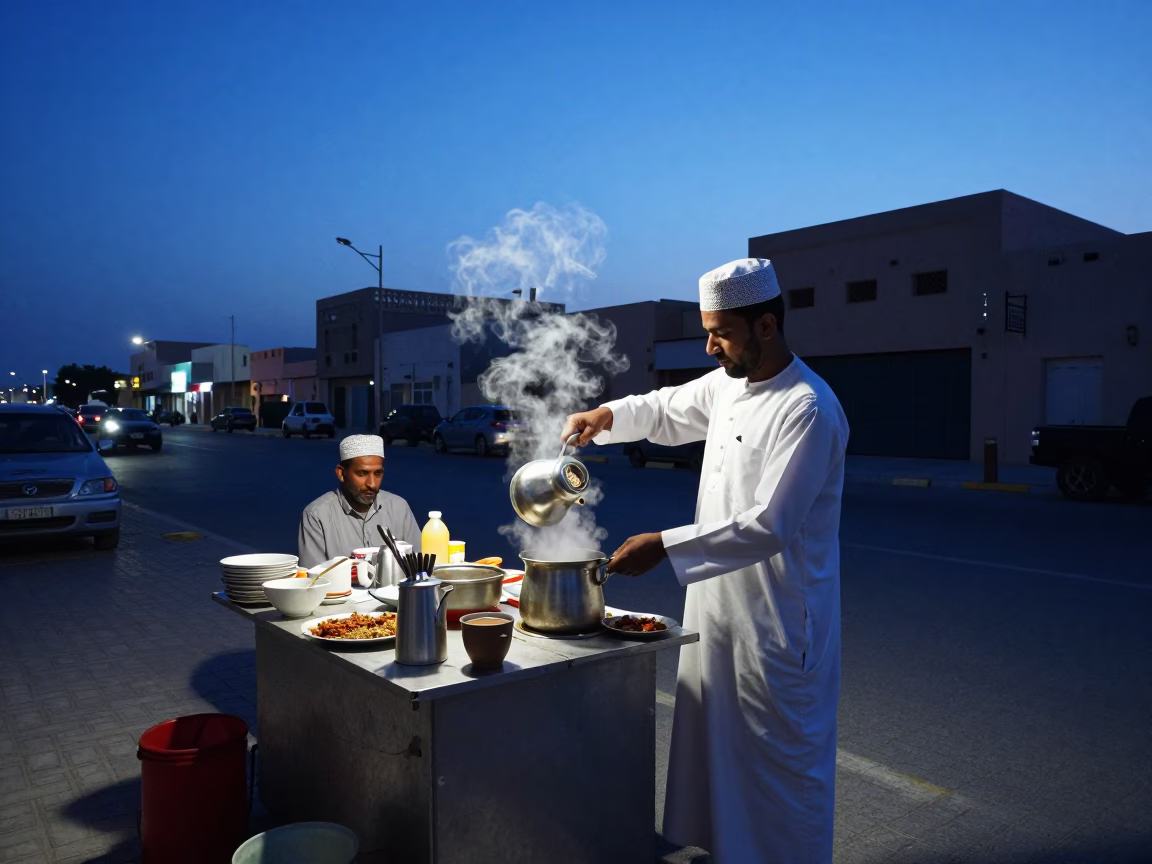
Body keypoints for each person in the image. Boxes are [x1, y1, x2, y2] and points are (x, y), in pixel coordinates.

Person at [562, 258, 849, 864]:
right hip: (716, 612)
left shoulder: (807, 408)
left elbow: (770, 524)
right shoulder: (727, 385)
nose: (710, 346)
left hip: (775, 623)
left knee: (779, 769)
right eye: (707, 331)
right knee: (721, 755)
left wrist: (664, 545)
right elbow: (664, 409)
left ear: (766, 325)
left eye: (721, 333)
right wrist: (605, 417)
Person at [298, 434, 421, 569]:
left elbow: (419, 566)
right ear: (341, 473)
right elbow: (314, 576)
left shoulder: (399, 508)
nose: (372, 484)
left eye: (378, 473)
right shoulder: (317, 515)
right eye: (362, 473)